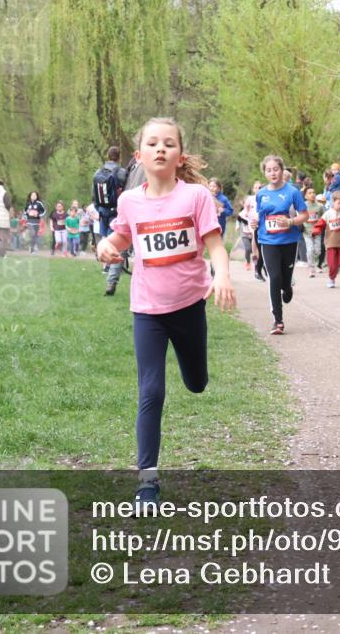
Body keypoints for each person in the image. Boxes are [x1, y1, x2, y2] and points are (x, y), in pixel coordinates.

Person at [96, 116, 236, 508]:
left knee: (196, 383)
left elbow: (215, 245)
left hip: (190, 306)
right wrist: (105, 246)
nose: (161, 149)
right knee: (151, 391)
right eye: (153, 143)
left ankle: (195, 375)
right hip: (148, 311)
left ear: (180, 155)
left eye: (169, 144)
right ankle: (147, 482)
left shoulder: (195, 197)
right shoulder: (129, 200)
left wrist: (222, 276)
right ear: (139, 155)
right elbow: (122, 235)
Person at [249, 155, 308, 335]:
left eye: (276, 169)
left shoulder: (293, 192)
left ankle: (288, 287)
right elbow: (259, 216)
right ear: (265, 173)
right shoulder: (261, 194)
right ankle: (278, 320)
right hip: (268, 241)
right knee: (274, 277)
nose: (273, 173)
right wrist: (254, 224)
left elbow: (304, 215)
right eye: (269, 170)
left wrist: (290, 222)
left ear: (282, 170)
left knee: (284, 277)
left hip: (289, 241)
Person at [94, 145, 128, 295]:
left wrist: (99, 210)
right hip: (117, 212)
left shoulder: (97, 172)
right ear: (119, 157)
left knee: (105, 241)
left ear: (107, 156)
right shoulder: (122, 172)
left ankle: (106, 266)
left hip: (102, 212)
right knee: (118, 245)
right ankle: (111, 281)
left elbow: (94, 195)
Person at [312, 190, 340, 288]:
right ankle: (331, 279)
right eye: (338, 203)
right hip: (331, 242)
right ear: (333, 202)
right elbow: (320, 224)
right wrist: (315, 231)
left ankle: (335, 270)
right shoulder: (328, 214)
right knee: (332, 264)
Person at [302, 186, 323, 278]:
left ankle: (314, 262)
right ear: (305, 196)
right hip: (307, 232)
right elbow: (300, 216)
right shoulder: (303, 205)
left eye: (313, 192)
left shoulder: (320, 206)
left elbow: (322, 217)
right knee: (310, 249)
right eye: (309, 193)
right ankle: (311, 268)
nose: (312, 194)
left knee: (317, 251)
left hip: (317, 232)